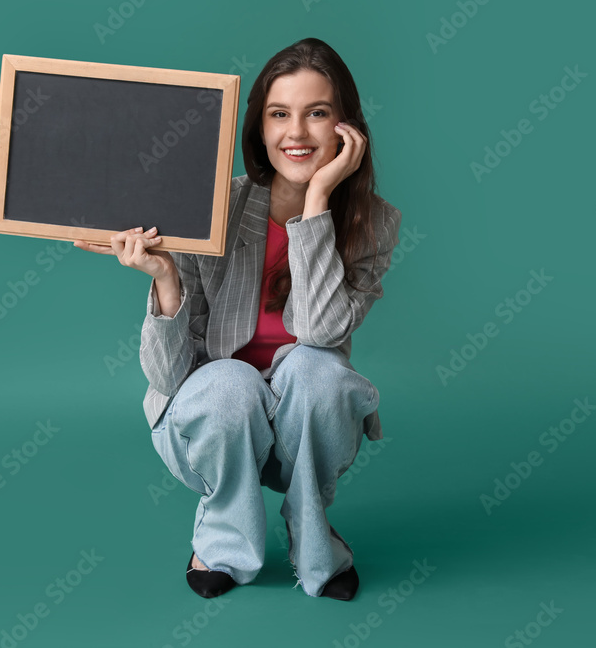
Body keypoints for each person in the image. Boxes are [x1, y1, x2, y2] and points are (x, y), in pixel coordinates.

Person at [75, 37, 401, 601]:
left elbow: (321, 332)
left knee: (318, 369)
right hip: (215, 422)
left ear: (346, 127)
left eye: (316, 113)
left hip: (305, 428)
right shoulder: (211, 209)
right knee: (231, 381)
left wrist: (317, 201)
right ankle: (224, 539)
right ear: (258, 126)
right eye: (279, 114)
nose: (295, 133)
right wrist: (165, 277)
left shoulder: (372, 225)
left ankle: (311, 532)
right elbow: (168, 379)